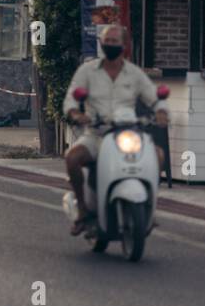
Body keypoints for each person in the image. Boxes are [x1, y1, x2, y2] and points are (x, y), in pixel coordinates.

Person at [62, 24, 166, 235]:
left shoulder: (134, 73)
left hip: (129, 133)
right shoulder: (88, 71)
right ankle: (82, 209)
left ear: (124, 46)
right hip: (96, 134)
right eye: (107, 41)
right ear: (101, 43)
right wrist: (76, 113)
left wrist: (161, 112)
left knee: (158, 155)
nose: (110, 45)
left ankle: (148, 207)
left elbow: (154, 98)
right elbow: (72, 99)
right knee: (72, 158)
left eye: (115, 42)